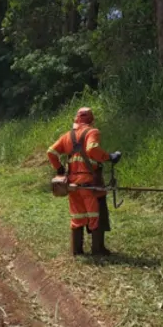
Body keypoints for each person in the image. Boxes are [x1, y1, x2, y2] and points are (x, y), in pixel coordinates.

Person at [47, 107, 122, 256]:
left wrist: (60, 169)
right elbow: (92, 148)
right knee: (95, 215)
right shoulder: (92, 132)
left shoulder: (67, 136)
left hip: (73, 185)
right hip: (90, 183)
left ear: (76, 119)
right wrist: (109, 157)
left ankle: (77, 250)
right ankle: (97, 249)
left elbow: (51, 152)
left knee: (78, 217)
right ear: (91, 120)